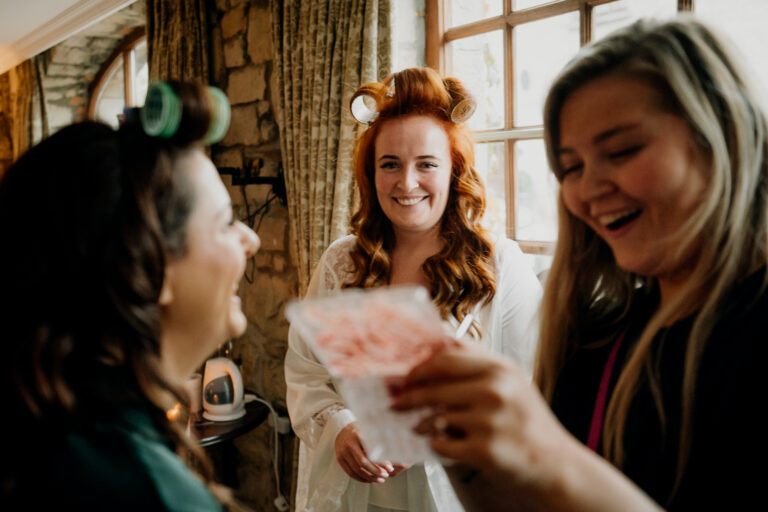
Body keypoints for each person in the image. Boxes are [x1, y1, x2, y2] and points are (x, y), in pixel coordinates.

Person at [390, 17, 767, 511]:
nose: (588, 190)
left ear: (723, 137)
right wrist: (468, 457)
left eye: (623, 150)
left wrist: (550, 456)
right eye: (571, 167)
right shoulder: (595, 340)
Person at [285, 67, 542, 512]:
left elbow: (532, 391)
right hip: (358, 499)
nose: (406, 183)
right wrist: (342, 427)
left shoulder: (500, 265)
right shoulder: (341, 263)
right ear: (371, 173)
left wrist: (437, 431)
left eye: (426, 164)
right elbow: (307, 374)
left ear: (454, 170)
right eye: (390, 164)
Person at [0, 81, 260, 511]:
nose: (249, 238)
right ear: (152, 264)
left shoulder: (46, 427)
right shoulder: (147, 493)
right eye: (224, 222)